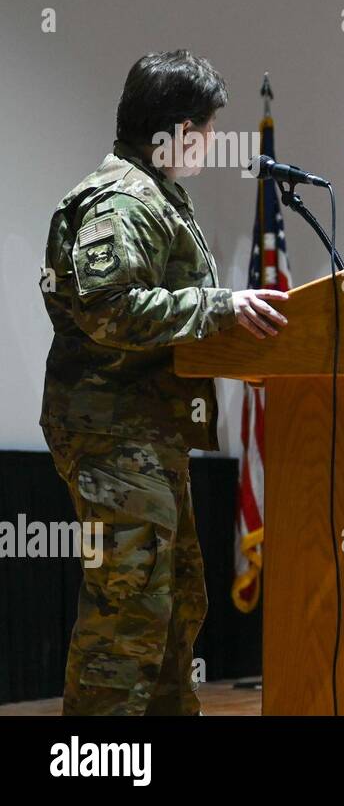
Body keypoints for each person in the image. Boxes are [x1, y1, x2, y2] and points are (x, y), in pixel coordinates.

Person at [39, 49, 289, 714]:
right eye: (205, 129)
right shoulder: (120, 198)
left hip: (149, 431)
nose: (209, 144)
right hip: (111, 432)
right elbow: (109, 309)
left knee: (176, 604)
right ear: (174, 129)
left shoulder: (158, 197)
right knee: (130, 612)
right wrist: (221, 305)